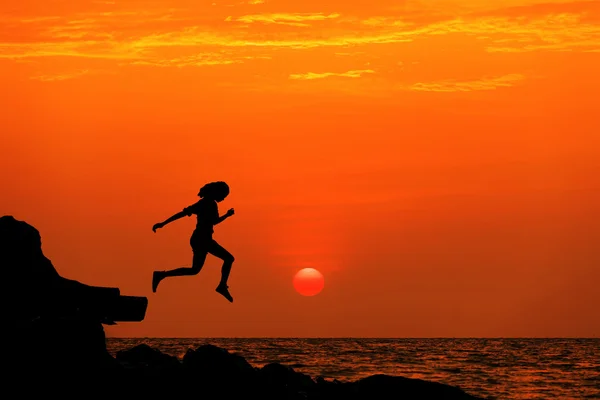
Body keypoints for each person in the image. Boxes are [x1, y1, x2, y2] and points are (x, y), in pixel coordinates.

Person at [151, 181, 235, 303]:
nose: (223, 198)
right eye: (223, 195)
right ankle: (222, 286)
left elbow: (214, 222)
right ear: (216, 192)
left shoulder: (212, 204)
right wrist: (163, 223)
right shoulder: (204, 204)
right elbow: (182, 214)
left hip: (203, 239)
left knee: (194, 270)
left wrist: (226, 215)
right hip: (201, 239)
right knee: (229, 259)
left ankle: (161, 275)